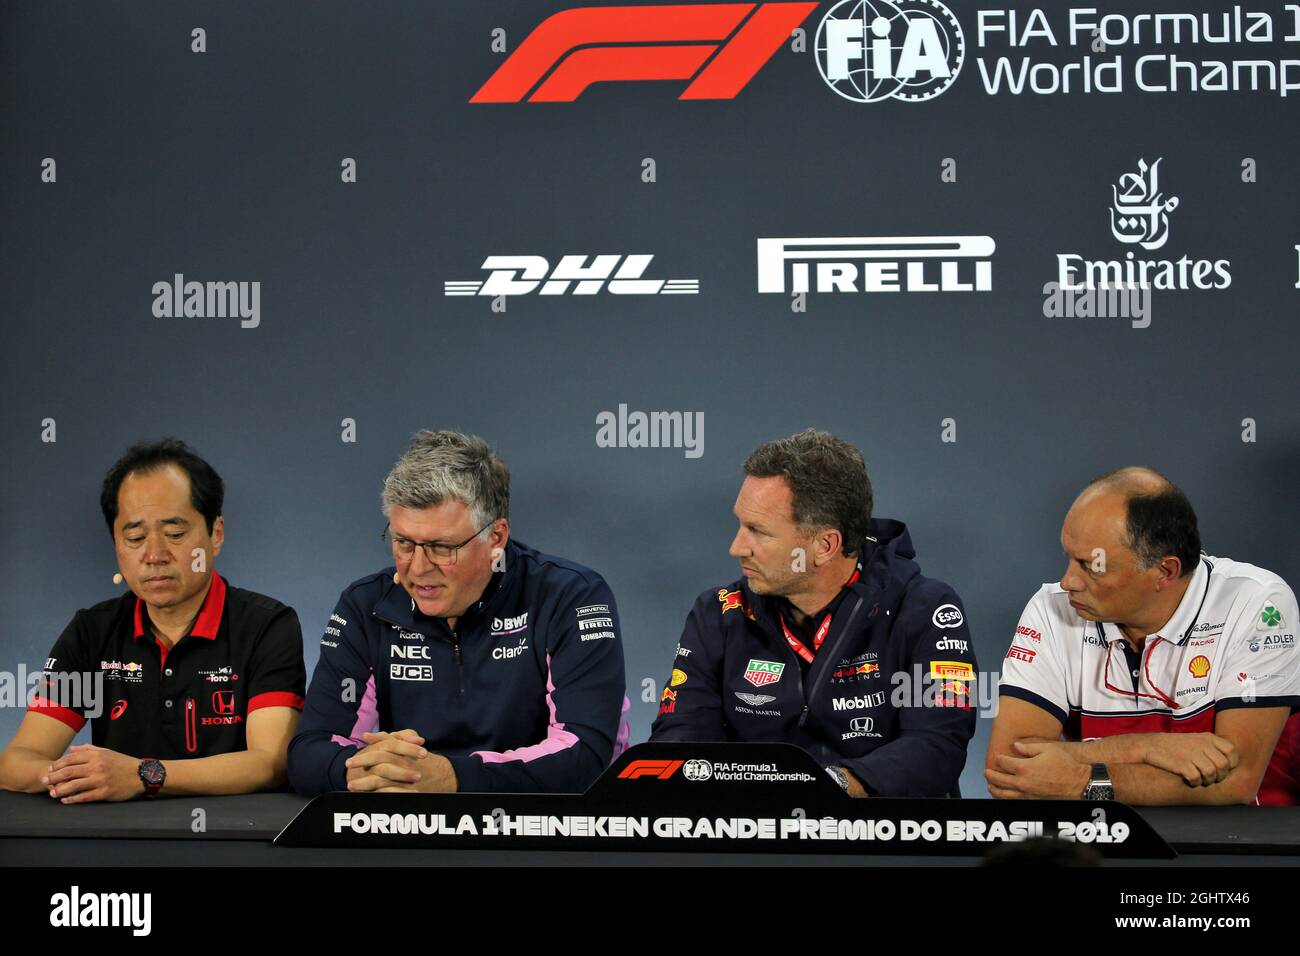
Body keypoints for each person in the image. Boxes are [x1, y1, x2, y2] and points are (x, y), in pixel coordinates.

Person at [288, 430, 628, 795]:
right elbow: (309, 752)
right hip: (407, 830)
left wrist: (452, 777)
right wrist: (361, 772)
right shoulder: (365, 606)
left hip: (539, 839)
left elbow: (586, 755)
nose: (417, 568)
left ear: (495, 538)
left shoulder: (571, 596)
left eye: (441, 547)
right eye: (403, 543)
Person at [650, 429, 978, 797]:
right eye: (740, 525)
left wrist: (824, 789)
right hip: (752, 841)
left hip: (883, 846)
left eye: (758, 531)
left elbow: (937, 747)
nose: (736, 547)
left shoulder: (926, 610)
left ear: (824, 545)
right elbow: (679, 740)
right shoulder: (719, 612)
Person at [0, 439, 306, 802]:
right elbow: (15, 762)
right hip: (118, 846)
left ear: (216, 534)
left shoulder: (266, 626)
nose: (155, 554)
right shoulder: (93, 632)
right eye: (135, 537)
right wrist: (75, 776)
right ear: (116, 543)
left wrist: (144, 775)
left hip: (232, 842)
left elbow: (270, 764)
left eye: (175, 534)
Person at [986, 467, 1300, 805]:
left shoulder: (1256, 601)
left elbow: (1234, 783)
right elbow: (1009, 772)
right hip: (1101, 847)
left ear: (1165, 571)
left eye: (1091, 566)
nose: (1067, 582)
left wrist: (1077, 777)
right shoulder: (1052, 609)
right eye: (1068, 558)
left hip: (1238, 848)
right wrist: (1147, 747)